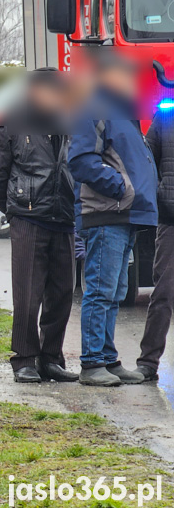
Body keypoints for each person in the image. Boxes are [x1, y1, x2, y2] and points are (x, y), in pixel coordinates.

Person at [69, 53, 158, 387]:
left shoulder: (123, 112)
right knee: (101, 290)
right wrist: (123, 189)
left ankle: (108, 358)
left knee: (116, 291)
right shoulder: (93, 107)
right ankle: (92, 363)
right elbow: (81, 161)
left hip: (126, 215)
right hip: (108, 214)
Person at [0, 70, 78, 383]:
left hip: (63, 217)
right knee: (28, 294)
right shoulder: (11, 122)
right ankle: (24, 359)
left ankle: (51, 358)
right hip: (28, 218)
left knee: (63, 291)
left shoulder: (67, 120)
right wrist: (15, 210)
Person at [136, 109, 174, 381]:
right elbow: (146, 162)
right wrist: (159, 198)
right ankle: (148, 363)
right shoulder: (166, 115)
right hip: (171, 218)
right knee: (163, 293)